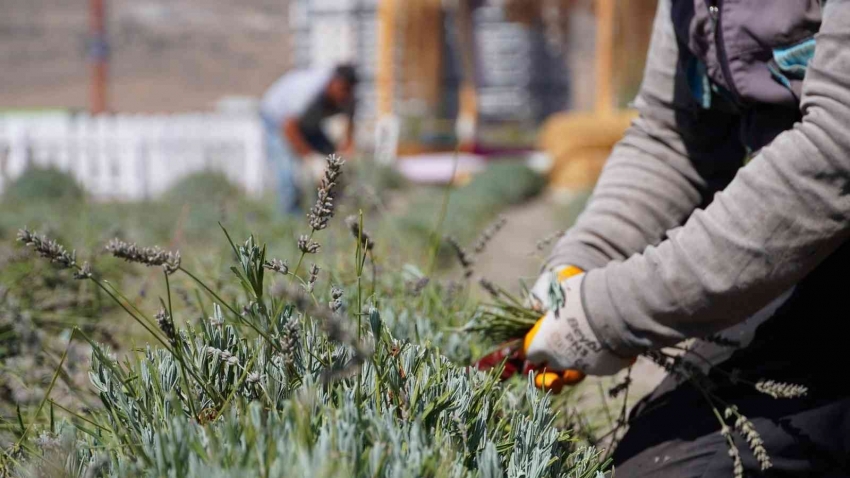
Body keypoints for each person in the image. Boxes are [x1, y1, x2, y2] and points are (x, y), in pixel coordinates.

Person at [517, 0, 850, 475]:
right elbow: (673, 139)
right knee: (659, 462)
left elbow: (839, 149)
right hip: (820, 260)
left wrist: (605, 313)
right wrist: (578, 268)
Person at [260, 63, 357, 214]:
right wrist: (311, 158)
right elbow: (289, 128)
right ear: (333, 82)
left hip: (309, 123)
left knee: (333, 165)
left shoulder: (348, 95)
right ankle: (289, 223)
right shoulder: (308, 92)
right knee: (288, 176)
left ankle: (331, 213)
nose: (344, 96)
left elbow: (349, 128)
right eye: (342, 90)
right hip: (277, 120)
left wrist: (345, 151)